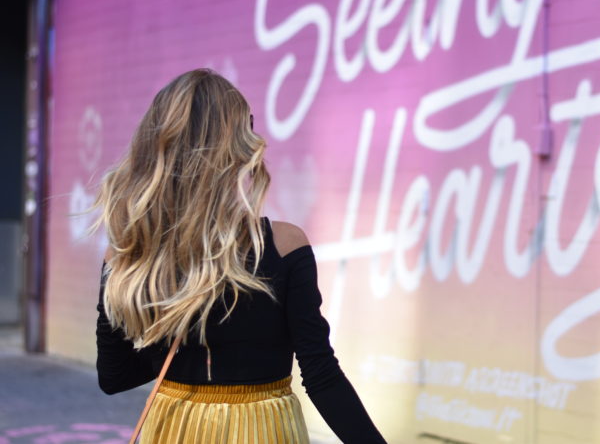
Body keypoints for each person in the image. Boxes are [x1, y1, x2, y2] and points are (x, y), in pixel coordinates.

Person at [91, 69, 386, 443]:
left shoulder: (130, 253)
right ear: (236, 146)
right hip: (263, 431)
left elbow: (114, 378)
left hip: (171, 430)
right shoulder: (282, 244)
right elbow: (321, 374)